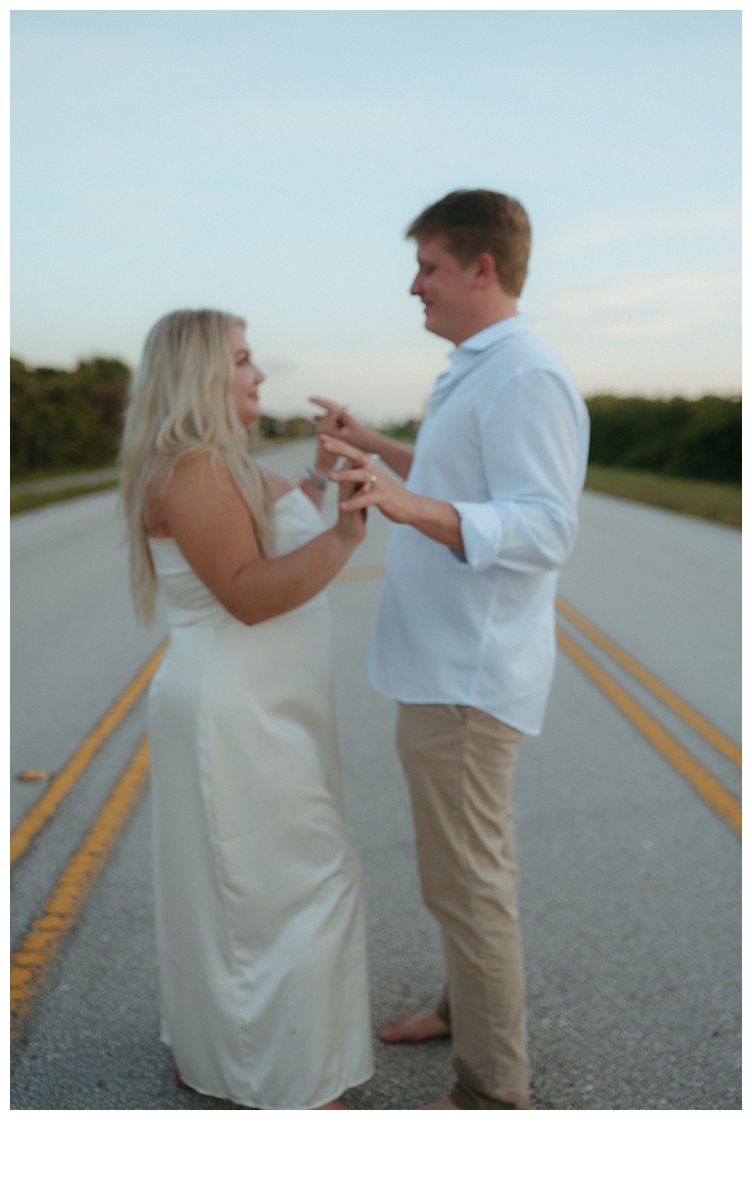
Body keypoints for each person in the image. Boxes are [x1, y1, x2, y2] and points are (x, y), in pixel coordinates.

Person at [314, 188, 590, 1110]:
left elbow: (546, 527)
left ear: (483, 268)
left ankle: (491, 1098)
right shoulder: (477, 367)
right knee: (456, 874)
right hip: (438, 666)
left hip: (468, 680)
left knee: (470, 885)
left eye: (428, 267)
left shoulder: (526, 374)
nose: (413, 286)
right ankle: (457, 1008)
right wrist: (379, 450)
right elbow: (458, 475)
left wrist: (407, 505)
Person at [119, 308, 374, 1110]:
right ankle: (290, 1078)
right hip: (236, 710)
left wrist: (320, 474)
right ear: (200, 373)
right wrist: (346, 534)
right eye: (242, 358)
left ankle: (233, 1056)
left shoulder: (222, 464)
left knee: (252, 884)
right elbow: (247, 595)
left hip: (270, 707)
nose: (259, 373)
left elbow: (268, 523)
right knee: (286, 883)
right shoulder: (192, 468)